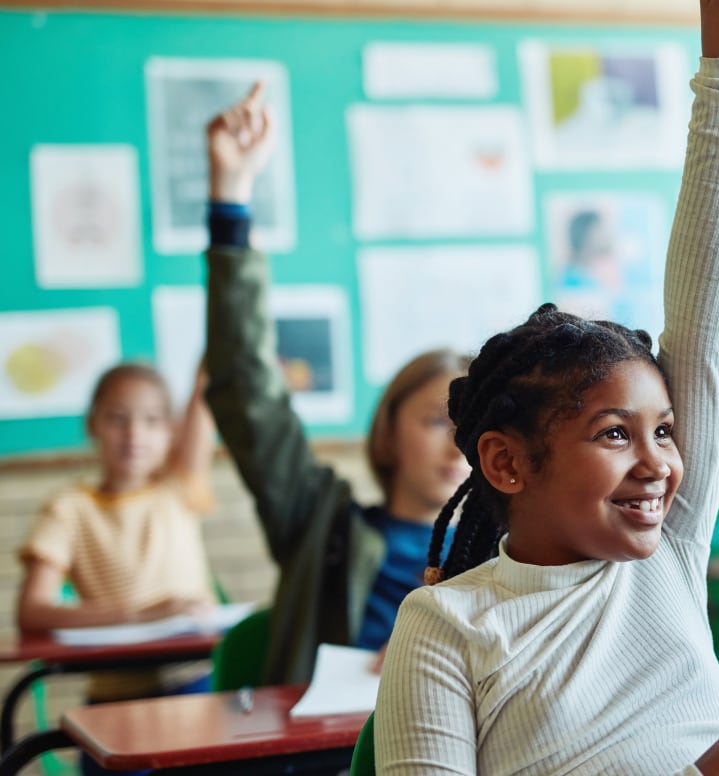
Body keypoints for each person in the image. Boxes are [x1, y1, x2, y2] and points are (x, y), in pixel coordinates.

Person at [372, 2, 719, 774]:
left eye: (665, 430)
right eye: (615, 433)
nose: (661, 464)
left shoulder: (665, 551)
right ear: (508, 463)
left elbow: (709, 325)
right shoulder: (446, 625)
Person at [201, 85, 469, 683]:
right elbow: (245, 388)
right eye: (435, 421)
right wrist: (231, 201)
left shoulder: (512, 550)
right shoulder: (322, 526)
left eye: (473, 430)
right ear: (389, 432)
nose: (458, 446)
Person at [17, 362, 217, 776]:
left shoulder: (179, 486)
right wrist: (142, 613)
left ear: (172, 431)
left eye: (151, 421)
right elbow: (32, 611)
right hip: (114, 704)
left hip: (195, 688)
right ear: (93, 424)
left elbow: (206, 389)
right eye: (117, 418)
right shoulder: (69, 507)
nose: (134, 434)